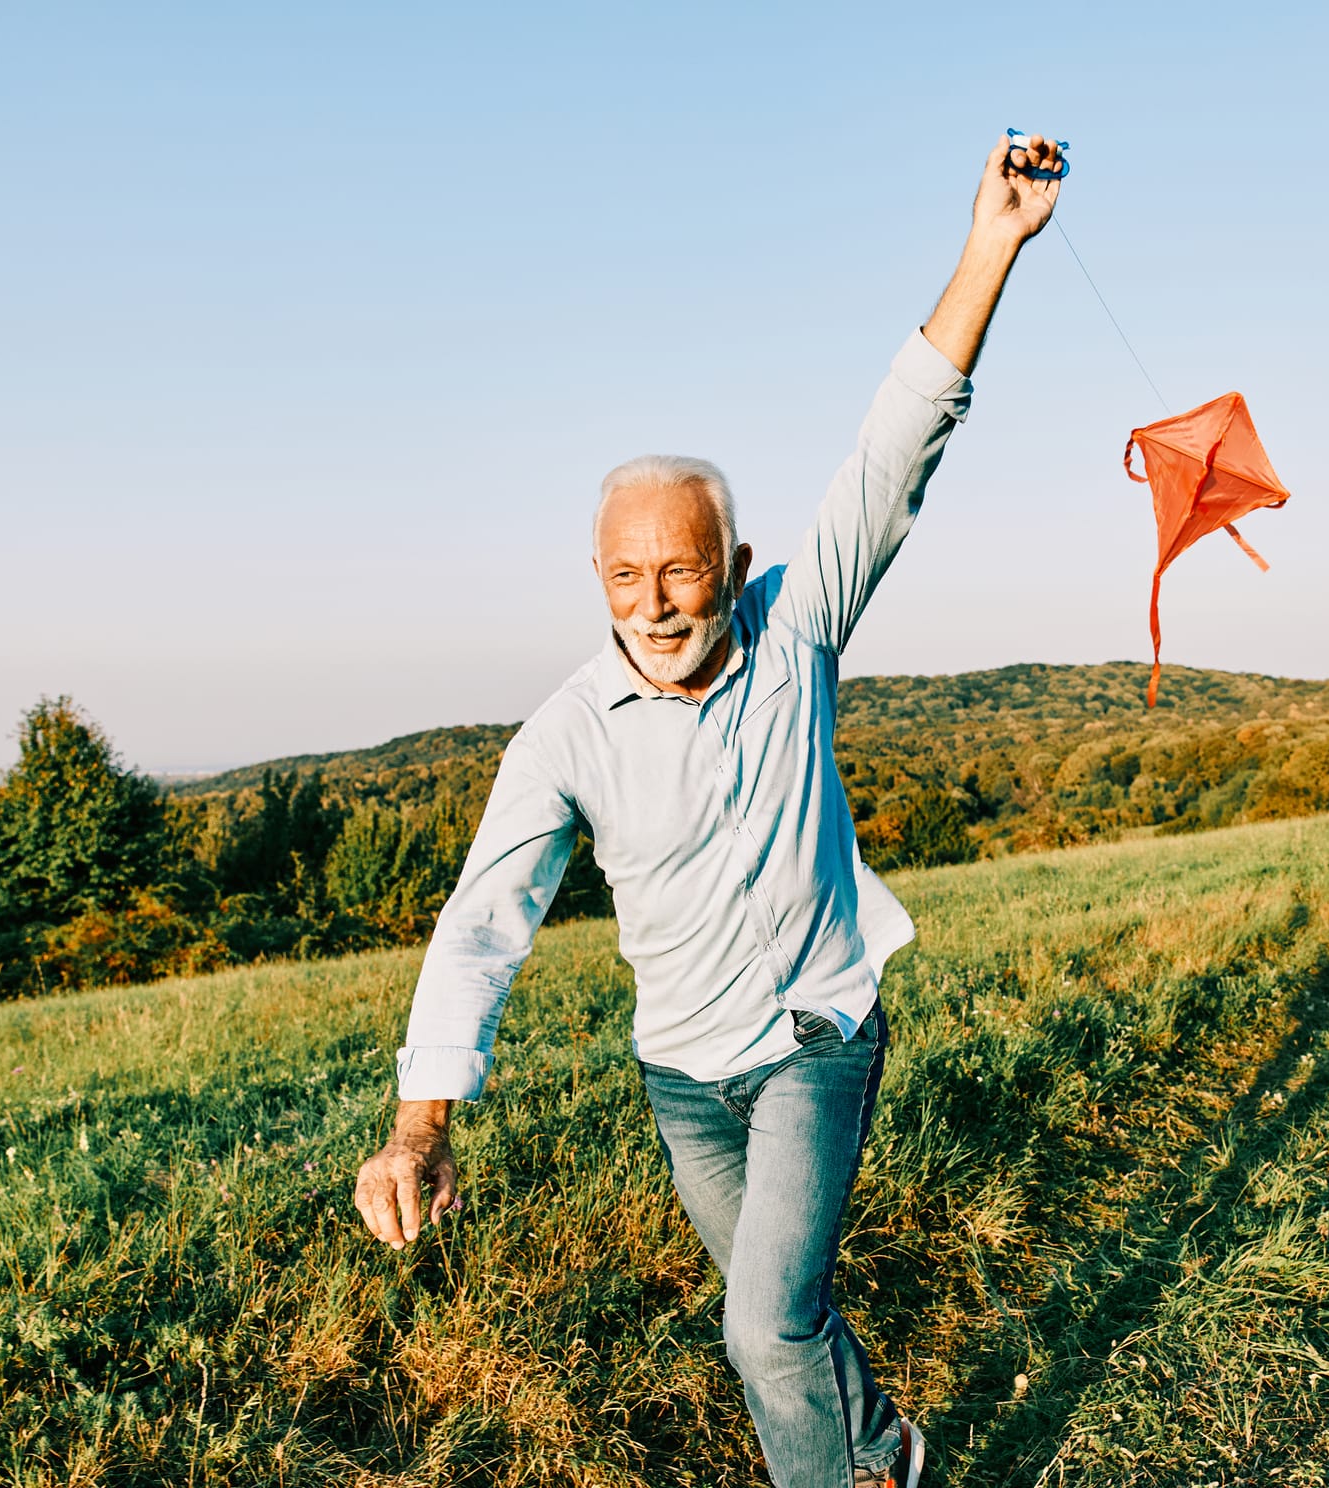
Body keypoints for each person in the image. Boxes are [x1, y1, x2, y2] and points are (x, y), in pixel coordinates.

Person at [352, 134, 1067, 1488]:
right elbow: (484, 918)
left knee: (760, 1325)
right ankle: (886, 1452)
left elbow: (897, 445)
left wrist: (993, 243)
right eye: (624, 577)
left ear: (732, 565)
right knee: (782, 1317)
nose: (655, 604)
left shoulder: (796, 627)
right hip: (685, 1079)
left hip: (814, 1037)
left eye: (681, 570)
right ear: (596, 580)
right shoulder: (565, 733)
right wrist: (421, 1123)